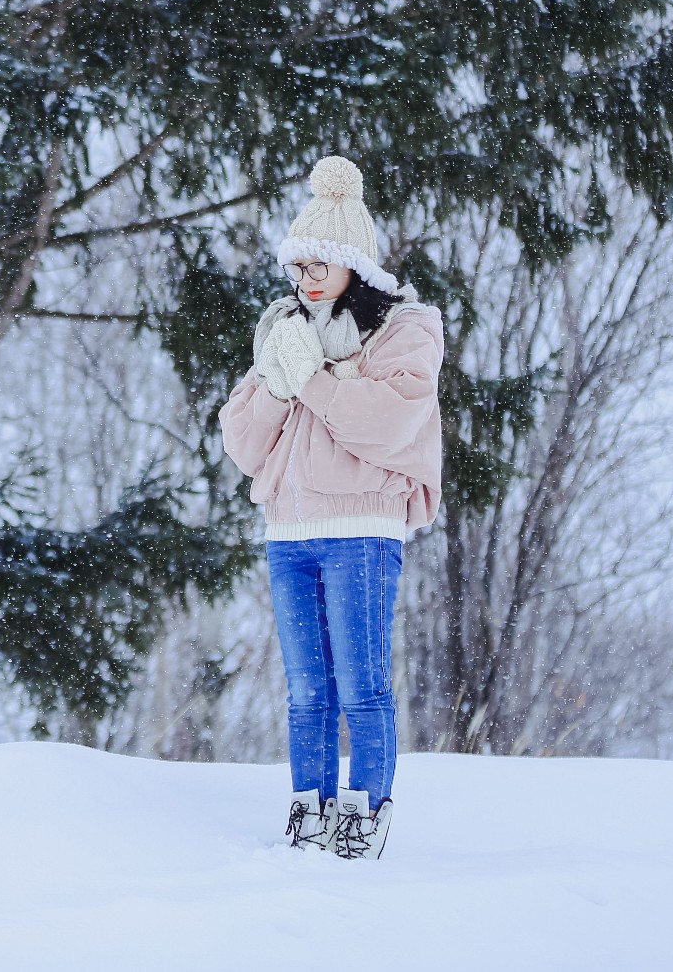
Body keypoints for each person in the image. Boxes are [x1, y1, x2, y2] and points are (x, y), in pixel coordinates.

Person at [218, 155, 444, 860]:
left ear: (354, 263)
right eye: (299, 262)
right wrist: (279, 380)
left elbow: (385, 421)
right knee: (307, 689)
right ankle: (308, 809)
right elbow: (242, 442)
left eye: (322, 262)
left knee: (361, 685)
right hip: (289, 531)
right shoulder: (283, 329)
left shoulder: (402, 331)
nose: (307, 276)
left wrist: (311, 377)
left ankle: (362, 814)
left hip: (362, 530)